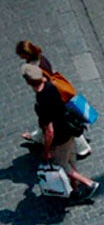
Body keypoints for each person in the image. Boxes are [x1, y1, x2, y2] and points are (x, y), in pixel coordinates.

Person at [21, 64, 98, 199]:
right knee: (71, 159)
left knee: (61, 164)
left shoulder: (41, 100)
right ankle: (75, 189)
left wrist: (46, 151)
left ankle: (88, 183)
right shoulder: (51, 86)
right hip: (68, 129)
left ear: (28, 82)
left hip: (59, 137)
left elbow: (49, 131)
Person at [16, 41, 92, 159]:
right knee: (56, 121)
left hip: (55, 97)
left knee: (67, 123)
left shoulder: (34, 68)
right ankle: (36, 137)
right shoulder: (42, 58)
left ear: (26, 54)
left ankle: (83, 148)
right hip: (57, 93)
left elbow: (42, 83)